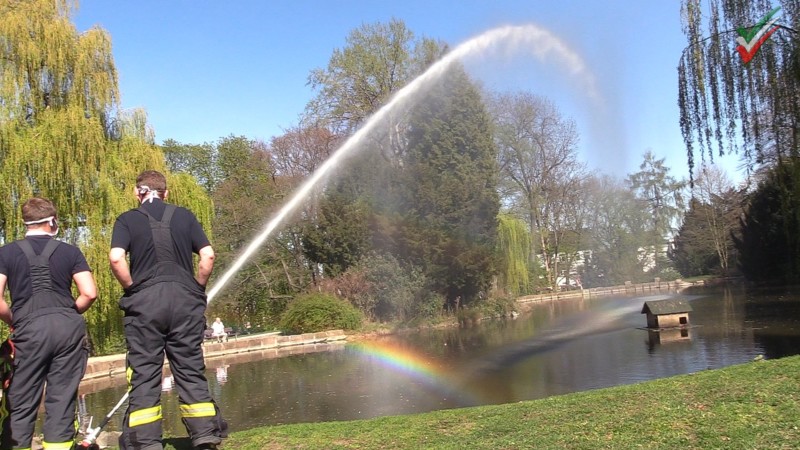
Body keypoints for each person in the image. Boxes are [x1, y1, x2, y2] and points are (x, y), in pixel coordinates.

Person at [109, 170, 226, 450]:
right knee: (189, 367)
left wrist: (132, 288)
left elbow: (116, 258)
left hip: (145, 303)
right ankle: (205, 435)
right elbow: (208, 255)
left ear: (137, 193)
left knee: (145, 372)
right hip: (185, 301)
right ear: (166, 192)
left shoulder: (127, 219)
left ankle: (147, 443)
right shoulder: (184, 215)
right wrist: (197, 287)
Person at [0, 197, 97, 449]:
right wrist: (69, 313)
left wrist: (13, 320)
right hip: (68, 330)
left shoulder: (6, 252)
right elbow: (89, 293)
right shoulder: (71, 251)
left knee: (21, 400)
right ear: (52, 221)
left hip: (28, 331)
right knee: (62, 398)